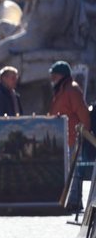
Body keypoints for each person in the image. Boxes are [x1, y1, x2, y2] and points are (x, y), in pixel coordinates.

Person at [48, 60, 91, 211]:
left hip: (73, 137)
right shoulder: (61, 90)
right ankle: (69, 200)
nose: (52, 79)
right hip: (64, 138)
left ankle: (75, 202)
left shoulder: (71, 90)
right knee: (69, 172)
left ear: (61, 76)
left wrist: (83, 134)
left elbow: (83, 113)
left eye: (54, 76)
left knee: (75, 172)